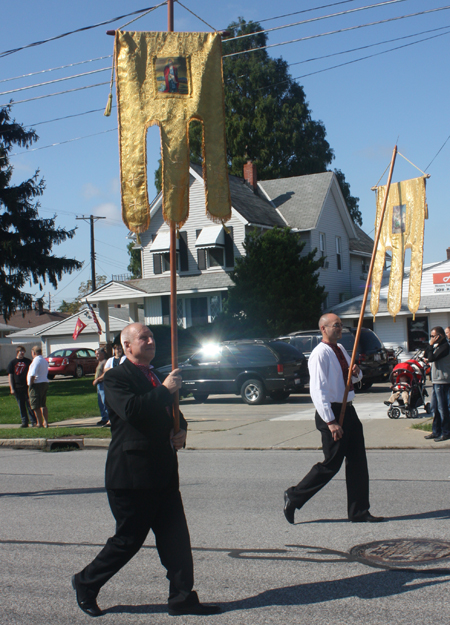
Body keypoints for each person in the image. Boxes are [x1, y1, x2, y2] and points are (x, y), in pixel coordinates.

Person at [72, 322, 220, 617]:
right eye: (144, 337)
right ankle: (86, 582)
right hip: (132, 475)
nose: (151, 340)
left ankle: (182, 598)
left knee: (176, 539)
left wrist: (182, 431)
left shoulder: (155, 376)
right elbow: (132, 411)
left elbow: (173, 413)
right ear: (127, 346)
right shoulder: (115, 378)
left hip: (163, 471)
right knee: (127, 541)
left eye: (152, 337)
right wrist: (165, 390)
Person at [283, 313, 384, 524]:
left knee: (358, 462)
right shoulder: (319, 354)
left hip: (349, 410)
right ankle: (294, 496)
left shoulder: (340, 350)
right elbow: (317, 391)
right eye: (336, 325)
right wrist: (330, 421)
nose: (339, 328)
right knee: (331, 464)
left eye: (340, 325)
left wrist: (356, 372)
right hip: (332, 413)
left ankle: (359, 512)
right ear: (323, 329)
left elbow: (354, 378)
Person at [422, 326, 450, 441]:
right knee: (434, 407)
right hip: (436, 381)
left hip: (443, 381)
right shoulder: (437, 346)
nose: (431, 338)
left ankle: (446, 432)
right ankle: (436, 431)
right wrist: (430, 346)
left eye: (433, 336)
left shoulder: (445, 347)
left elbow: (432, 358)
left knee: (442, 408)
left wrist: (430, 346)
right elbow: (426, 355)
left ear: (440, 336)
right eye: (431, 336)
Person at [7, 346, 37, 428]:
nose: (22, 353)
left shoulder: (28, 361)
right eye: (21, 351)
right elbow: (10, 376)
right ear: (17, 352)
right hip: (18, 387)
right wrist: (12, 388)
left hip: (27, 386)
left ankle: (33, 421)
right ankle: (24, 422)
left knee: (29, 404)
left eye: (23, 351)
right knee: (21, 405)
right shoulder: (13, 363)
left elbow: (32, 372)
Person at [27, 345, 49, 428]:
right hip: (44, 382)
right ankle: (45, 422)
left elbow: (33, 374)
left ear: (34, 352)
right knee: (43, 404)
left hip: (37, 384)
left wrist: (31, 384)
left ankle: (39, 423)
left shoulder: (36, 361)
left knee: (35, 405)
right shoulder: (44, 361)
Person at [93, 349, 109, 426]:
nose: (97, 355)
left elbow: (105, 373)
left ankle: (108, 418)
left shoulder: (105, 362)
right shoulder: (99, 363)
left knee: (104, 401)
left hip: (103, 383)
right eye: (96, 354)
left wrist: (98, 379)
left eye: (98, 354)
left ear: (103, 354)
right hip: (99, 385)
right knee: (100, 403)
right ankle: (104, 418)